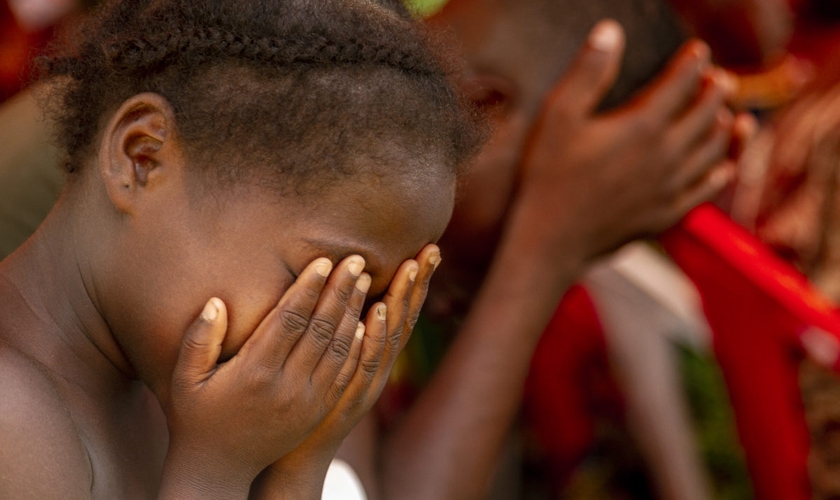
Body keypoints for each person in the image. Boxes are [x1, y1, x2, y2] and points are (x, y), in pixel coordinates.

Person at [0, 0, 484, 498]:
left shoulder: (192, 408)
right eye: (323, 281)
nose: (334, 338)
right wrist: (213, 472)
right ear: (141, 157)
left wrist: (298, 467)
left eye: (369, 304)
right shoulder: (11, 419)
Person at [333, 0, 752, 498]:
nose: (470, 293)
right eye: (509, 236)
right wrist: (544, 251)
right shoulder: (307, 218)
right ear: (484, 108)